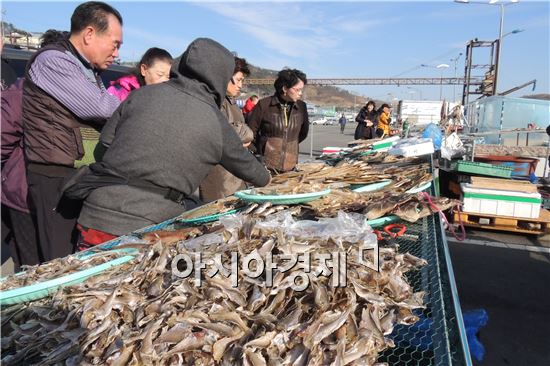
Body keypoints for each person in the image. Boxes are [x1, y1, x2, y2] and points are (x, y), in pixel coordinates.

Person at [75, 38, 271, 246]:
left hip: (96, 214)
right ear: (221, 77)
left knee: (81, 276)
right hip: (151, 227)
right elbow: (257, 175)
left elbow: (106, 142)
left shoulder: (141, 94)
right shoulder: (215, 121)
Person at [22, 1, 123, 261]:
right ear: (89, 34)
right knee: (59, 258)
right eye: (115, 43)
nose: (117, 53)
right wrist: (134, 106)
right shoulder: (53, 61)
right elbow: (100, 106)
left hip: (75, 172)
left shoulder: (85, 67)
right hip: (55, 176)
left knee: (74, 254)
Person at [1, 29, 70, 270]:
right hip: (23, 199)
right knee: (31, 268)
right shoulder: (23, 92)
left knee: (53, 266)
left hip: (59, 198)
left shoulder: (74, 94)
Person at [199, 57, 255, 203]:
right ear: (225, 77)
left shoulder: (232, 103)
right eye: (238, 79)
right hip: (220, 179)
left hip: (235, 176)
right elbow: (222, 136)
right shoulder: (214, 102)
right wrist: (241, 137)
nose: (241, 85)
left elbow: (239, 134)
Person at [247, 68, 309, 173]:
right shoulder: (264, 105)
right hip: (266, 168)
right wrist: (259, 153)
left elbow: (303, 133)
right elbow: (249, 133)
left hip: (291, 167)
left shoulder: (301, 107)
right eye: (297, 90)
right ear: (285, 88)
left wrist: (289, 146)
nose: (300, 93)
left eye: (301, 90)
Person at [107, 47, 173, 101]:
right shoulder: (118, 92)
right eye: (160, 74)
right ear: (144, 69)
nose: (164, 80)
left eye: (168, 77)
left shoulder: (164, 97)